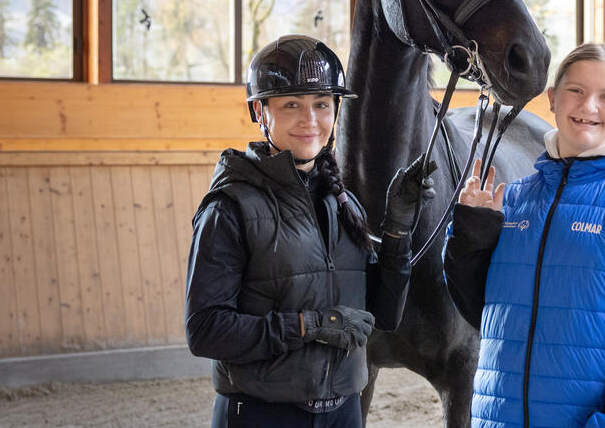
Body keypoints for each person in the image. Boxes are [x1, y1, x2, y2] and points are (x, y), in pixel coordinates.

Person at [443, 42, 605, 428]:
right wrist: (471, 236)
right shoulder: (513, 199)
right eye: (576, 91)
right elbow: (484, 314)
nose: (589, 107)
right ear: (552, 99)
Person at [185, 35, 436, 428]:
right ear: (259, 111)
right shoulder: (229, 208)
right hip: (261, 413)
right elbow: (205, 331)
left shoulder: (343, 203)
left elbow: (383, 315)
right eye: (291, 105)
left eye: (321, 104)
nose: (310, 120)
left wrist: (398, 230)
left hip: (343, 411)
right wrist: (310, 326)